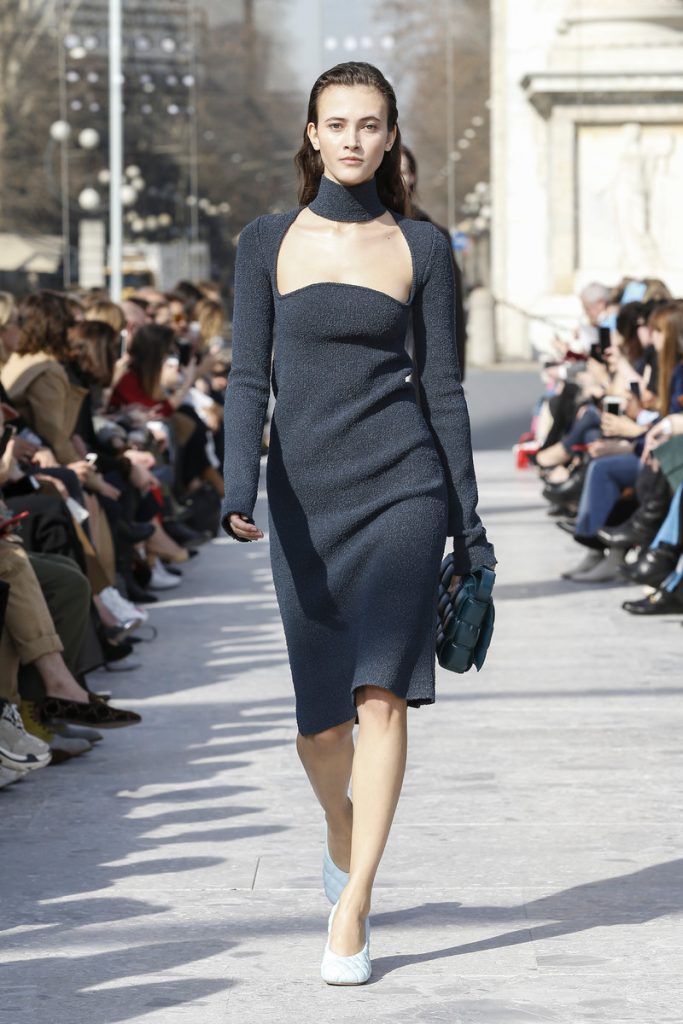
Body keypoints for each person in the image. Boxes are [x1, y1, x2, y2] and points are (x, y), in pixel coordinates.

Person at [220, 61, 496, 985]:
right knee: (319, 727)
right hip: (305, 500)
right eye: (335, 123)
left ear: (389, 136)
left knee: (383, 694)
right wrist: (237, 485)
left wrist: (467, 524)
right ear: (311, 134)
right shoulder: (265, 241)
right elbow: (248, 375)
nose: (351, 139)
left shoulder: (423, 246)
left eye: (368, 124)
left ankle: (354, 905)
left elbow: (444, 391)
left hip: (401, 489)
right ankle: (340, 825)